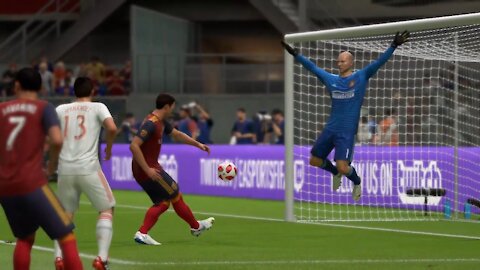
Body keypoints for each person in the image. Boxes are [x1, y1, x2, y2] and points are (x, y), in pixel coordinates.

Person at [282, 30, 409, 201]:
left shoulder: (361, 76)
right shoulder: (331, 79)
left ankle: (356, 181)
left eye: (342, 61)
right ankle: (334, 173)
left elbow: (379, 62)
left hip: (347, 132)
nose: (339, 63)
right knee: (314, 160)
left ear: (351, 62)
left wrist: (393, 45)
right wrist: (295, 54)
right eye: (338, 61)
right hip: (330, 128)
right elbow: (312, 68)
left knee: (343, 167)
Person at [0, 67, 83, 270]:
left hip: (5, 187)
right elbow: (56, 139)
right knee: (66, 236)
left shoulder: (1, 109)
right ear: (40, 87)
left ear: (17, 85)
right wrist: (51, 166)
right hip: (32, 183)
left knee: (25, 237)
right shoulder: (43, 108)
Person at [130, 93, 214, 245]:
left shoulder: (161, 122)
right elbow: (134, 145)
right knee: (175, 193)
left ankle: (142, 233)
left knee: (163, 202)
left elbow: (177, 135)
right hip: (148, 169)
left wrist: (198, 144)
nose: (173, 110)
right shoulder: (151, 123)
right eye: (172, 107)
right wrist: (148, 170)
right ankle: (196, 227)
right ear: (167, 106)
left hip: (143, 169)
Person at [54, 77, 117, 270]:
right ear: (92, 91)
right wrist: (108, 148)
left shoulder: (60, 109)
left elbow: (51, 137)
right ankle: (102, 259)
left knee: (65, 215)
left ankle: (59, 258)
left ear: (74, 91)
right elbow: (112, 128)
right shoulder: (98, 107)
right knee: (107, 209)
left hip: (64, 169)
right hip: (88, 167)